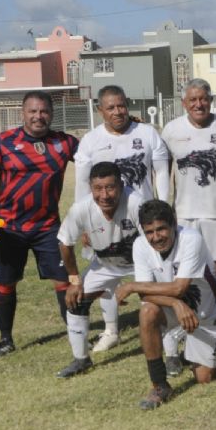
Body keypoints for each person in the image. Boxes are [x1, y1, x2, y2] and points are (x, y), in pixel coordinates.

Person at [0, 91, 78, 359]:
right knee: (6, 284)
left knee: (63, 282)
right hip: (9, 229)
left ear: (51, 114)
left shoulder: (65, 143)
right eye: (32, 111)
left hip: (48, 227)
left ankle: (75, 332)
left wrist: (127, 126)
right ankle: (5, 340)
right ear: (23, 113)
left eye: (43, 111)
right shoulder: (3, 142)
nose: (38, 116)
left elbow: (99, 151)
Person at [74, 84, 170, 353]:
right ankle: (111, 330)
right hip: (102, 222)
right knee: (106, 276)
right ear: (100, 110)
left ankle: (163, 325)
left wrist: (162, 209)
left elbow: (161, 173)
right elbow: (82, 185)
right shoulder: (90, 141)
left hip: (142, 221)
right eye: (111, 107)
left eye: (121, 105)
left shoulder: (147, 133)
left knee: (153, 272)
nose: (118, 112)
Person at [115, 200, 216, 410]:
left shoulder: (192, 239)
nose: (156, 237)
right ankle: (160, 384)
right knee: (147, 311)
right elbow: (146, 294)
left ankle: (187, 343)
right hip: (177, 308)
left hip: (206, 311)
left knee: (203, 377)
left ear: (173, 223)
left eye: (161, 229)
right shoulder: (140, 245)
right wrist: (175, 303)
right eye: (150, 232)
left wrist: (132, 286)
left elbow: (179, 288)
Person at [55, 162, 143, 377]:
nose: (104, 195)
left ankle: (170, 355)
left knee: (158, 301)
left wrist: (144, 282)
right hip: (104, 265)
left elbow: (155, 240)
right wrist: (74, 281)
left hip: (141, 264)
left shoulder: (137, 203)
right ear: (90, 188)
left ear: (121, 185)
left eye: (110, 187)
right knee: (76, 301)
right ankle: (81, 360)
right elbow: (65, 243)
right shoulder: (81, 208)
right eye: (98, 189)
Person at [162, 78, 216, 269]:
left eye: (203, 99)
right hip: (184, 217)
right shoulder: (171, 130)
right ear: (184, 103)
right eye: (193, 100)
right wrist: (165, 210)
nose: (198, 105)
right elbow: (162, 173)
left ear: (211, 100)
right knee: (186, 270)